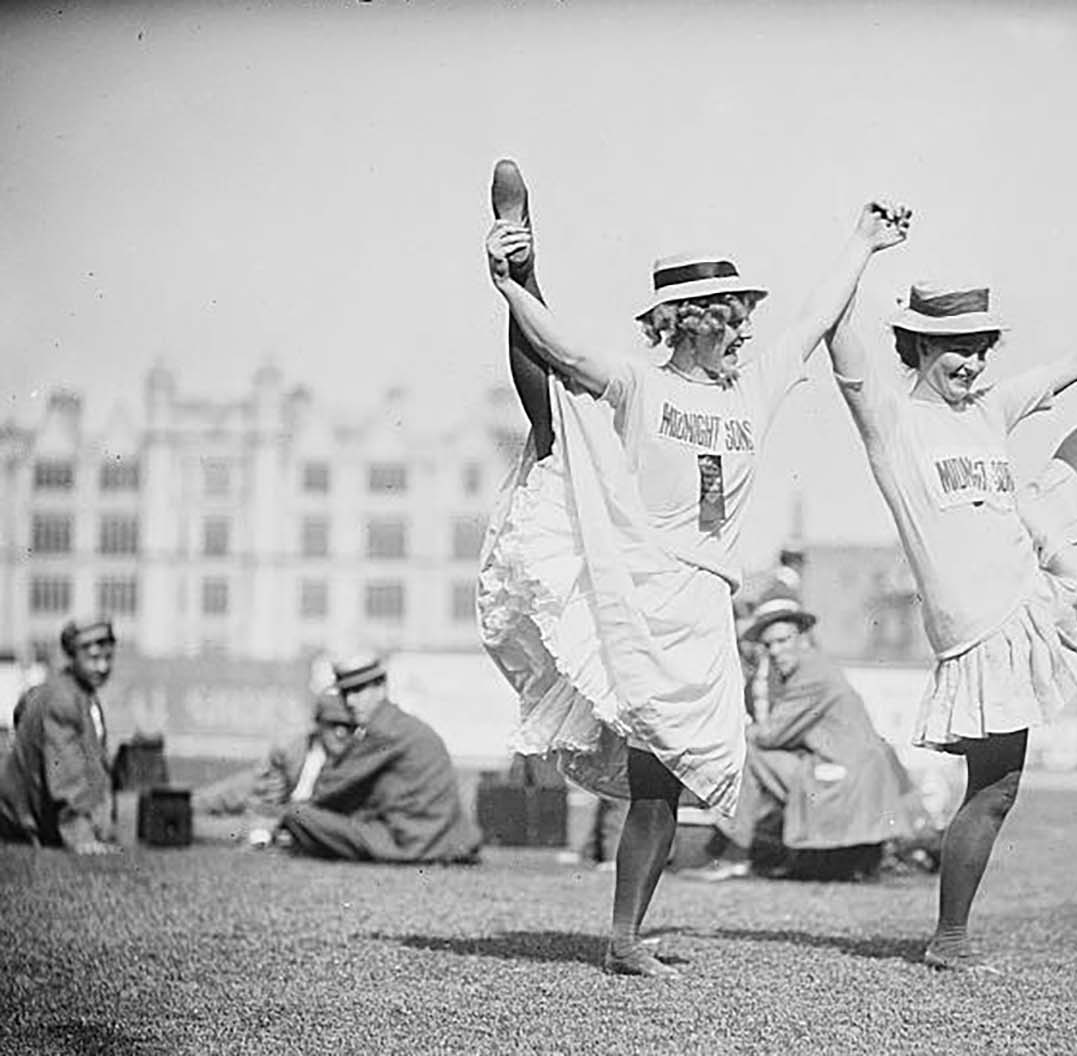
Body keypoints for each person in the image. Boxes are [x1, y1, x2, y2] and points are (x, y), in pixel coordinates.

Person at [476, 158, 911, 976]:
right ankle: (625, 940)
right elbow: (552, 355)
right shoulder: (640, 381)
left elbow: (815, 318)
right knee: (654, 774)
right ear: (694, 321)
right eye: (734, 317)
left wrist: (863, 241)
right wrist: (512, 283)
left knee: (670, 779)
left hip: (706, 604)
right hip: (641, 585)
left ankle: (623, 938)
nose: (746, 331)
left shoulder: (750, 391)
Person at [823, 242, 1077, 970]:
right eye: (951, 351)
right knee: (995, 790)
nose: (969, 364)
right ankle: (950, 939)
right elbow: (837, 332)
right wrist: (861, 244)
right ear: (917, 347)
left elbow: (1071, 364)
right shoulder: (893, 422)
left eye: (977, 348)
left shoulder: (986, 410)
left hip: (1025, 573)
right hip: (982, 624)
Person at [692, 596, 927, 881]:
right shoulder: (814, 667)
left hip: (845, 774)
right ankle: (742, 847)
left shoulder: (810, 674)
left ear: (802, 638)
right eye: (769, 645)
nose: (776, 651)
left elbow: (770, 735)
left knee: (750, 755)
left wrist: (729, 731)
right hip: (853, 769)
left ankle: (735, 853)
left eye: (783, 641)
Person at [278, 656, 482, 864]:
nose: (350, 702)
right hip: (445, 840)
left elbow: (328, 789)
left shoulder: (382, 730)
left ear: (381, 687)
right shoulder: (401, 723)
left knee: (297, 814)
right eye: (345, 693)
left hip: (410, 843)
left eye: (358, 691)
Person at [0, 618, 119, 853]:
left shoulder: (80, 694)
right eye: (94, 658)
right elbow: (67, 774)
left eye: (107, 658)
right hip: (21, 829)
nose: (103, 667)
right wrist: (81, 837)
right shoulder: (62, 698)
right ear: (73, 657)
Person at [192, 691, 359, 844]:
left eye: (348, 726)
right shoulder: (291, 751)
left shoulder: (360, 759)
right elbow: (266, 804)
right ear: (318, 724)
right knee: (191, 804)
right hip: (259, 790)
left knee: (218, 829)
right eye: (333, 724)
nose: (341, 733)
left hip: (287, 817)